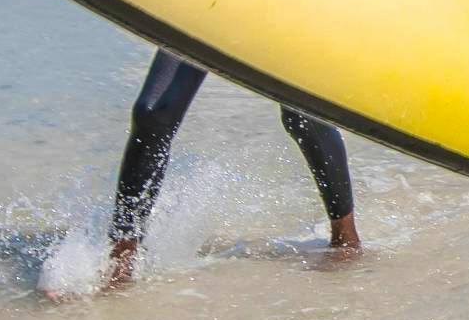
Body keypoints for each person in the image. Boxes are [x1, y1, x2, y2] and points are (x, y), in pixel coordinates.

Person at [101, 49, 358, 287]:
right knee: (153, 113)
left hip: (283, 7)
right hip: (210, 2)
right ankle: (121, 264)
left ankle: (346, 239)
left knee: (301, 115)